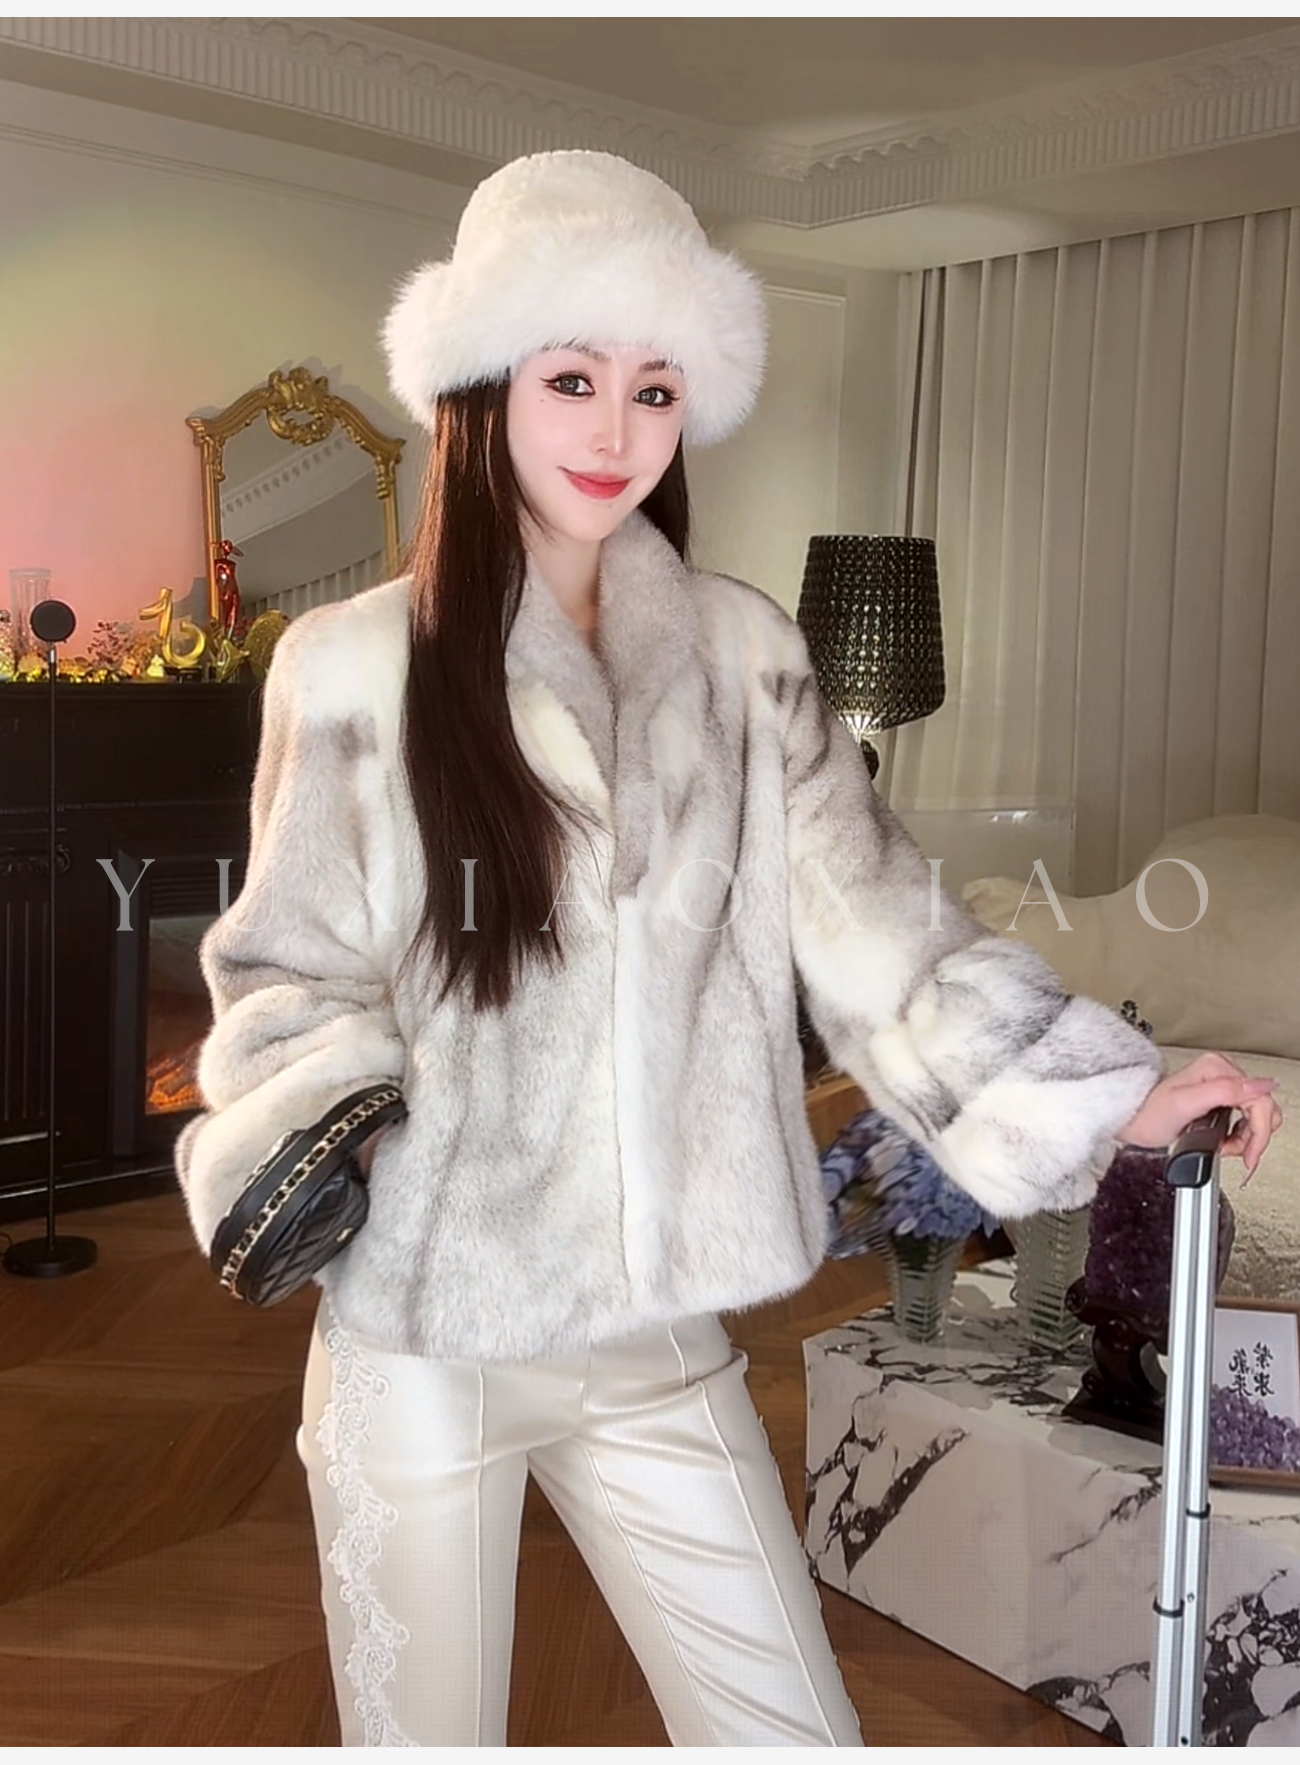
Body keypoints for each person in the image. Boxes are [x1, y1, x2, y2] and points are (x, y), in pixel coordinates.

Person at [174, 150, 1282, 1748]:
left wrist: (1116, 1093)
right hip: (425, 1338)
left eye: (655, 388)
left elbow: (882, 927)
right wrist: (342, 1132)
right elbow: (283, 975)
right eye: (572, 379)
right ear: (483, 387)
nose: (616, 431)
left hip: (655, 1332)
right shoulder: (350, 669)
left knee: (793, 1730)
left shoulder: (747, 652)